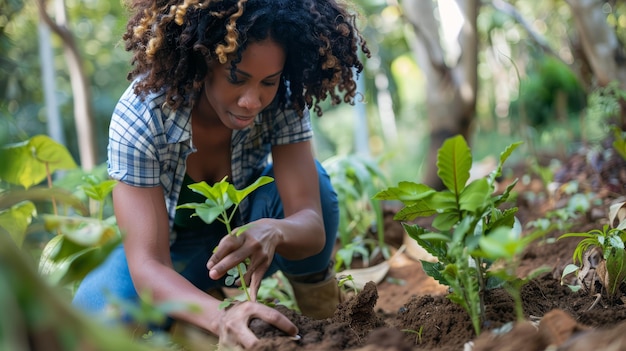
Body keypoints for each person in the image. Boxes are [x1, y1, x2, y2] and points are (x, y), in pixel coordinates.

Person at [72, 0, 370, 348]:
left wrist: (275, 230)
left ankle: (326, 322)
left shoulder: (284, 101)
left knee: (316, 184)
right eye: (237, 78)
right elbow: (148, 265)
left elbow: (311, 225)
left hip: (249, 249)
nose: (252, 100)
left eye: (268, 82)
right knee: (93, 316)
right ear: (204, 62)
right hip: (173, 256)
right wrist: (222, 317)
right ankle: (197, 315)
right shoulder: (142, 118)